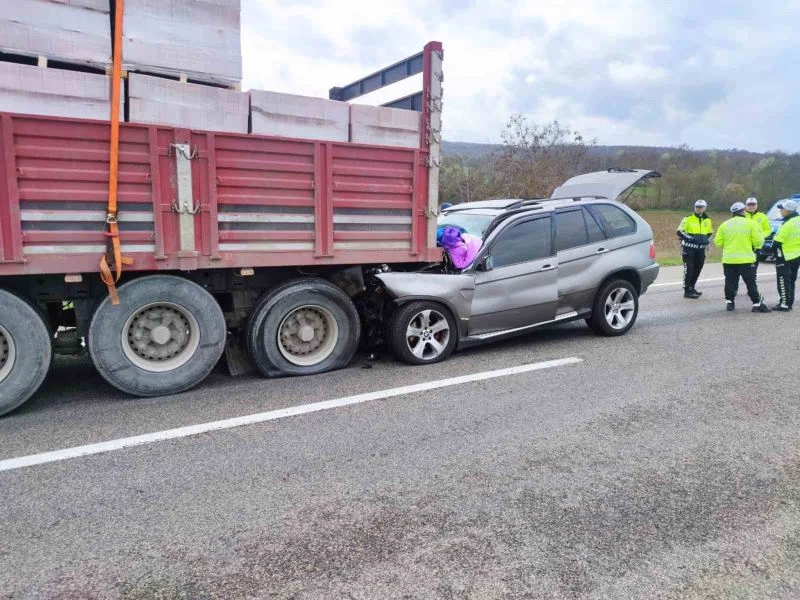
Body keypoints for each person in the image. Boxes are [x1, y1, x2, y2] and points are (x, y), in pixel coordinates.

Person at [714, 202, 771, 312]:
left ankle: (730, 302)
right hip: (746, 259)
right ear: (743, 211)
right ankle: (756, 304)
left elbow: (718, 242)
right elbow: (758, 241)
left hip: (729, 260)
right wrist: (754, 247)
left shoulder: (724, 225)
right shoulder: (751, 223)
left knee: (730, 281)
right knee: (751, 282)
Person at [677, 199, 713, 299]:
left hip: (701, 249)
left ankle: (692, 287)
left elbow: (710, 233)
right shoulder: (688, 218)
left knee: (698, 269)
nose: (698, 209)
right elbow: (679, 231)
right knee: (689, 269)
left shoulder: (708, 220)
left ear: (705, 208)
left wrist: (707, 240)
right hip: (689, 248)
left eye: (701, 207)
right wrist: (692, 239)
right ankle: (687, 290)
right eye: (697, 207)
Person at [772, 199, 800, 311]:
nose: (780, 211)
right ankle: (789, 302)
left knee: (783, 281)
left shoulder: (787, 224)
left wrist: (774, 253)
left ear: (788, 211)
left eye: (782, 209)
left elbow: (777, 242)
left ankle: (784, 304)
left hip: (785, 256)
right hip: (797, 255)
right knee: (791, 280)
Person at [744, 197, 771, 270]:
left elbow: (768, 230)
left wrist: (760, 236)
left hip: (757, 246)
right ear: (745, 206)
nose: (751, 206)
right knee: (744, 265)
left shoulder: (763, 216)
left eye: (753, 204)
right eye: (749, 205)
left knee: (754, 266)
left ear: (757, 205)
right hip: (744, 245)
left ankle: (753, 278)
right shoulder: (742, 216)